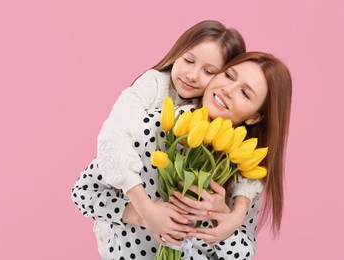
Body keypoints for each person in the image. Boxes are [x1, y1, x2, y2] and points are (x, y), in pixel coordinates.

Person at [72, 52, 292, 259]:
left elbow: (244, 254)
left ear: (255, 117)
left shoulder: (243, 169)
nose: (228, 89)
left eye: (245, 93)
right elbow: (84, 192)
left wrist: (223, 221)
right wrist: (142, 215)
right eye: (228, 76)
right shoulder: (154, 127)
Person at [82, 20, 249, 256]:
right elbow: (113, 136)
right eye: (188, 60)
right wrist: (145, 211)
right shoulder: (153, 89)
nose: (192, 75)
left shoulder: (218, 121)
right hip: (124, 241)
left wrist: (237, 212)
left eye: (209, 72)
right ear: (177, 53)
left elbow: (253, 176)